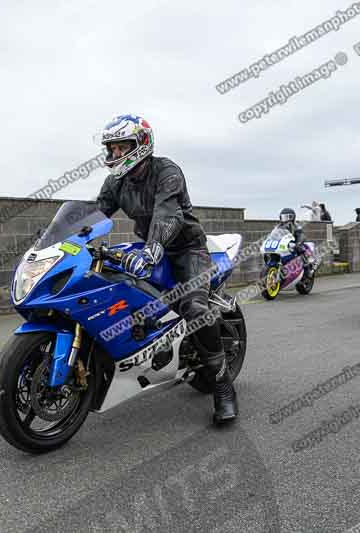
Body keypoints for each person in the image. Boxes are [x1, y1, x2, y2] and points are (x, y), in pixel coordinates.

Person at [95, 114, 237, 424]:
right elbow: (95, 215)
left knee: (196, 309)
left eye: (122, 147)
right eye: (113, 148)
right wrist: (63, 239)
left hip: (186, 248)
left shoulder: (166, 171)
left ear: (141, 144)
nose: (117, 154)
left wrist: (153, 248)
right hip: (148, 248)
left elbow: (167, 214)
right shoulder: (116, 181)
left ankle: (223, 386)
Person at [276, 208, 314, 276]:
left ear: (292, 217)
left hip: (294, 244)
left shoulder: (296, 226)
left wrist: (298, 243)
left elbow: (301, 235)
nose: (284, 219)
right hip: (284, 244)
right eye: (283, 217)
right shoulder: (279, 227)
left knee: (300, 249)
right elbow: (274, 235)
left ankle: (307, 269)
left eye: (286, 217)